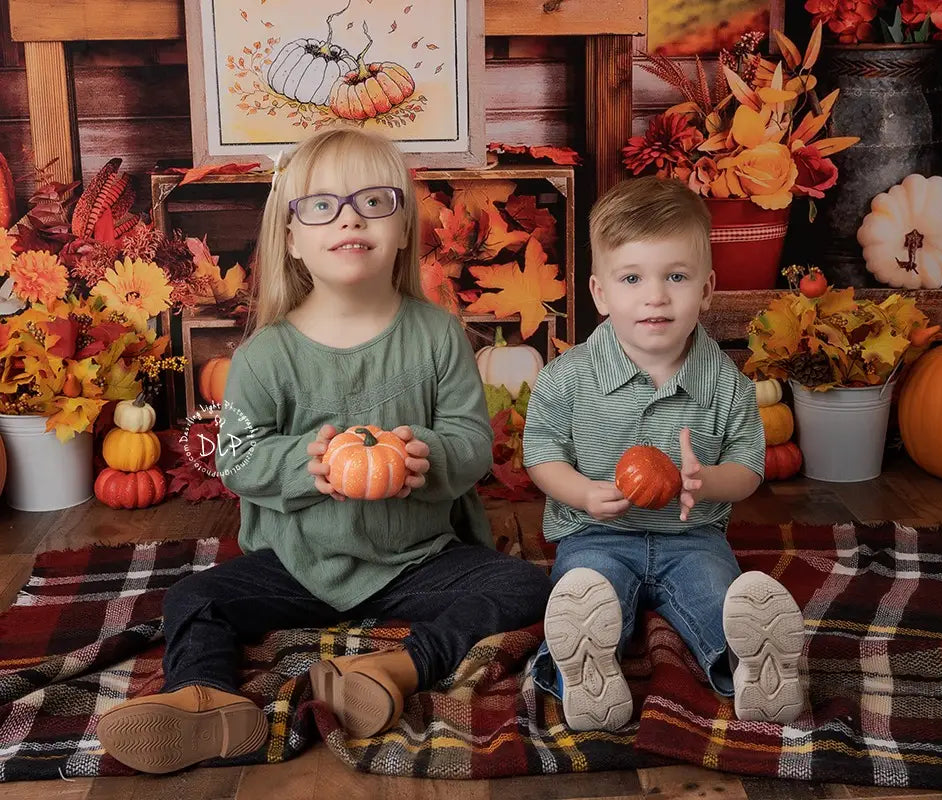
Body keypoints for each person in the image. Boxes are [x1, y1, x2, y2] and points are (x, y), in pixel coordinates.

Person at [96, 128, 551, 774]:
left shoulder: (437, 336)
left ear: (402, 230)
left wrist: (427, 456)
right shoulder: (266, 355)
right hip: (297, 563)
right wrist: (302, 466)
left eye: (373, 203)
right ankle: (208, 702)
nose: (348, 218)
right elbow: (240, 458)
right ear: (291, 238)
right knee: (191, 600)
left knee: (522, 586)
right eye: (323, 205)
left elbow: (473, 443)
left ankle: (399, 668)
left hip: (414, 560)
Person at [522, 176, 805, 732]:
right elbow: (542, 456)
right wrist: (582, 493)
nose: (655, 295)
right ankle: (583, 674)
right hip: (595, 532)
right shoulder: (567, 377)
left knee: (717, 597)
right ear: (601, 293)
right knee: (586, 592)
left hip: (692, 537)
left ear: (706, 288)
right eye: (633, 278)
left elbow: (748, 469)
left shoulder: (727, 383)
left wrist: (705, 481)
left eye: (676, 276)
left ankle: (753, 670)